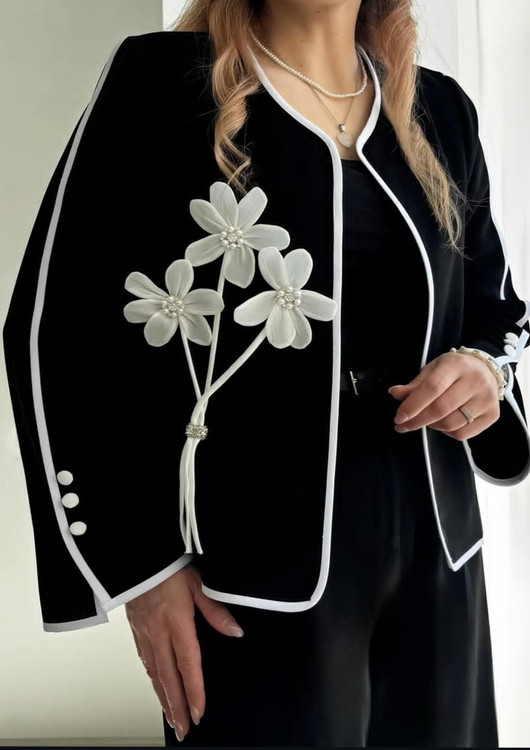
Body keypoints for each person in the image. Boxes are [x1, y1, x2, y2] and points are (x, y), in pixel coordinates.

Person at [4, 0, 530, 745]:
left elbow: (497, 309)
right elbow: (54, 330)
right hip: (251, 574)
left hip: (438, 561)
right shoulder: (161, 84)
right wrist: (142, 571)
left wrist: (483, 372)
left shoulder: (439, 109)